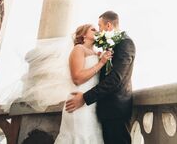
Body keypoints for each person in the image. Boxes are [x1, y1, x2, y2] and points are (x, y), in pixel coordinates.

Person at [66, 11, 136, 144]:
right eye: (95, 28)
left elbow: (116, 78)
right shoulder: (107, 46)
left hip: (116, 109)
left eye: (99, 26)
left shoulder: (125, 43)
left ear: (108, 25)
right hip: (102, 109)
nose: (98, 30)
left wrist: (85, 98)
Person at [55, 24, 113, 143]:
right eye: (93, 29)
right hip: (78, 104)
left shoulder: (96, 53)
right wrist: (101, 63)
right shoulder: (79, 49)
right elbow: (77, 78)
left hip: (91, 103)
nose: (97, 31)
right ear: (83, 35)